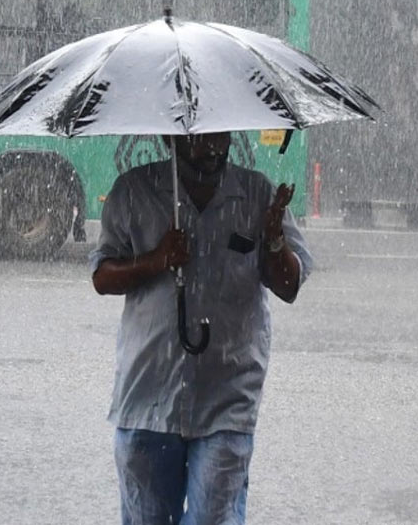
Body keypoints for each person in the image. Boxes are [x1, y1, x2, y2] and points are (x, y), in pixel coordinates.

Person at [91, 131, 313, 524]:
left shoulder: (256, 194)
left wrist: (275, 240)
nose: (213, 145)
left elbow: (289, 286)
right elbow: (102, 276)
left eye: (220, 134)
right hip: (147, 399)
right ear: (169, 137)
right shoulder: (133, 192)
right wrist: (155, 260)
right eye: (198, 138)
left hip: (226, 399)